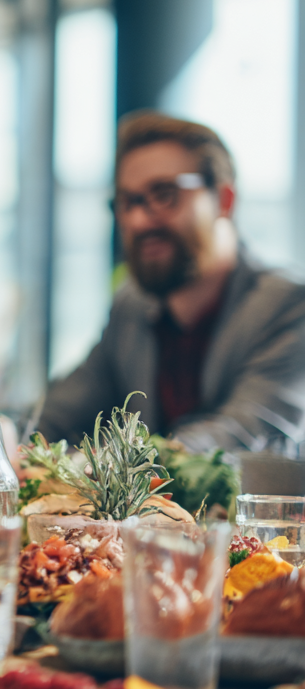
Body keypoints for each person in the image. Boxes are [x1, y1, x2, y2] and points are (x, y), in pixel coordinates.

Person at [38, 111, 305, 453]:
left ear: (224, 200)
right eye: (128, 202)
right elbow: (60, 411)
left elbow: (242, 438)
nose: (138, 220)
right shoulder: (132, 306)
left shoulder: (289, 308)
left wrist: (101, 466)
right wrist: (1, 437)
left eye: (165, 194)